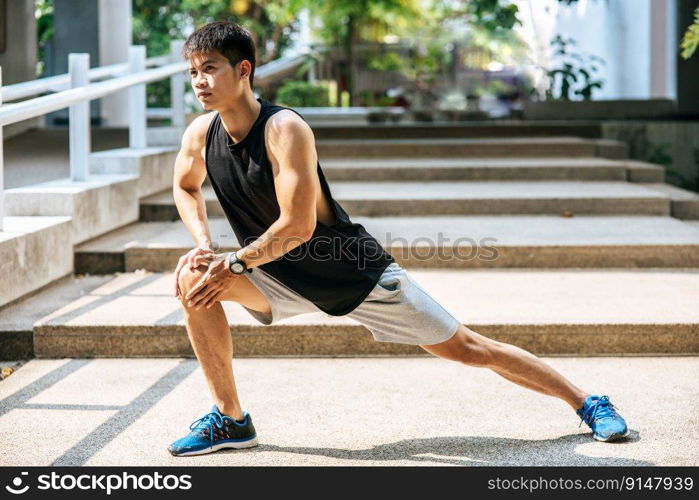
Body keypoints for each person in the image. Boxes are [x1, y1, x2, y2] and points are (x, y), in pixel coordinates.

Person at [168, 21, 629, 457]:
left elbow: (297, 226)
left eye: (210, 69)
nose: (200, 81)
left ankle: (588, 402)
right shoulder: (200, 134)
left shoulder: (284, 129)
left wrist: (234, 262)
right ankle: (231, 418)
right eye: (193, 72)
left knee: (468, 349)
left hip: (350, 271)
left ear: (243, 70)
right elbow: (186, 186)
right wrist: (205, 245)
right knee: (193, 281)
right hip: (272, 271)